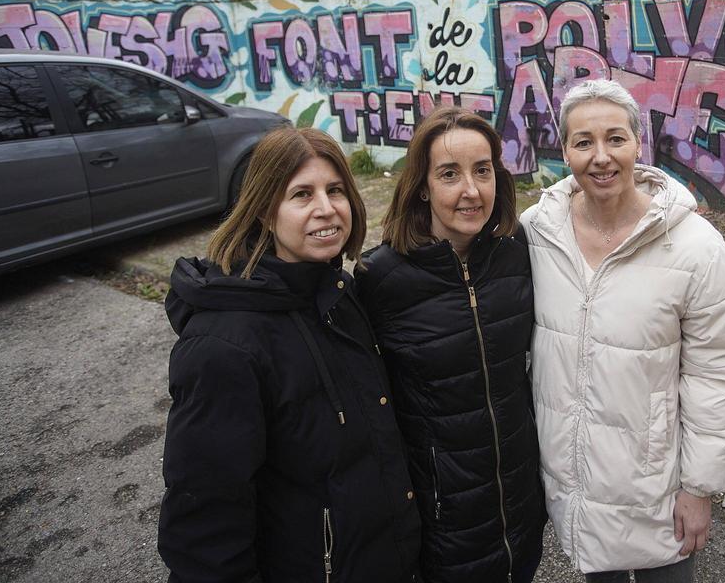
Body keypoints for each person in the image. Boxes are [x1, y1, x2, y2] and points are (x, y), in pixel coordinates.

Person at [157, 126, 420, 582]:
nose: (326, 208)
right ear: (263, 209)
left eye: (335, 190)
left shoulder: (339, 294)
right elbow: (204, 529)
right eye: (302, 194)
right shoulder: (222, 347)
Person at [521, 79, 725, 582]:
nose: (600, 157)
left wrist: (699, 488)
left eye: (615, 138)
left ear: (638, 144)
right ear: (565, 150)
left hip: (657, 490)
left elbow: (718, 374)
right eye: (583, 142)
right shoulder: (539, 232)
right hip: (577, 483)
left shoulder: (696, 249)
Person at [355, 107, 545, 583]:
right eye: (449, 174)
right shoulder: (381, 278)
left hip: (519, 511)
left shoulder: (516, 254)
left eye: (483, 171)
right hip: (442, 525)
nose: (471, 191)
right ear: (422, 185)